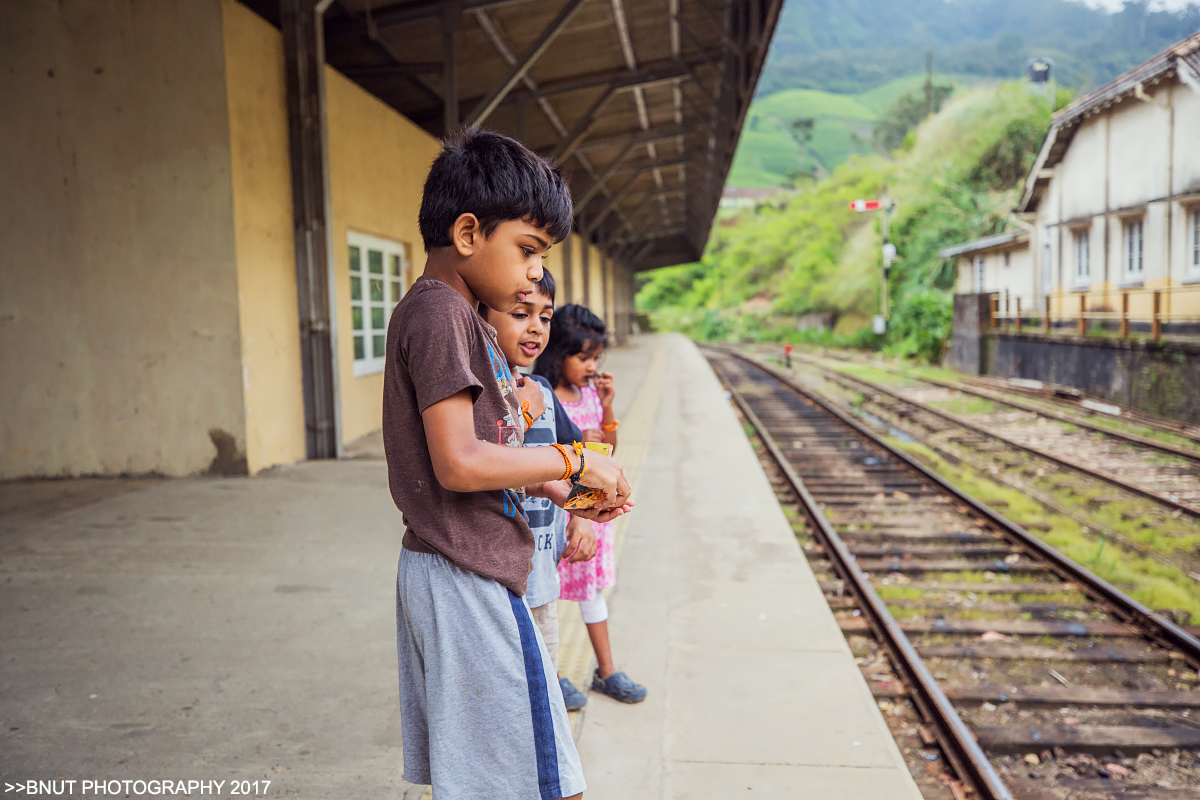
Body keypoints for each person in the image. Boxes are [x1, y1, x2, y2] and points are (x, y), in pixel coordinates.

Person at [384, 128, 634, 800]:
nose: (533, 271)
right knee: (542, 783)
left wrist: (564, 489)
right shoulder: (441, 316)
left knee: (515, 777)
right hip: (465, 573)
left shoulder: (457, 315)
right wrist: (575, 458)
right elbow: (459, 464)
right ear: (468, 234)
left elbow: (489, 449)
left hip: (467, 566)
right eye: (529, 250)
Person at [478, 267, 596, 713]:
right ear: (482, 319)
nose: (535, 327)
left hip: (543, 578)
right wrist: (521, 416)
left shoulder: (543, 389)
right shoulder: (481, 393)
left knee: (543, 686)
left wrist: (583, 517)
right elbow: (478, 464)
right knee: (507, 700)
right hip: (498, 582)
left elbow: (579, 454)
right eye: (520, 312)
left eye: (544, 317)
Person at [534, 304, 648, 705]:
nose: (590, 366)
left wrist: (609, 406)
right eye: (582, 357)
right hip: (555, 512)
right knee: (549, 597)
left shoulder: (588, 395)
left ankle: (607, 669)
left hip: (590, 513)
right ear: (557, 354)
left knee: (591, 593)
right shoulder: (543, 397)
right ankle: (558, 674)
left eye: (595, 358)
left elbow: (608, 451)